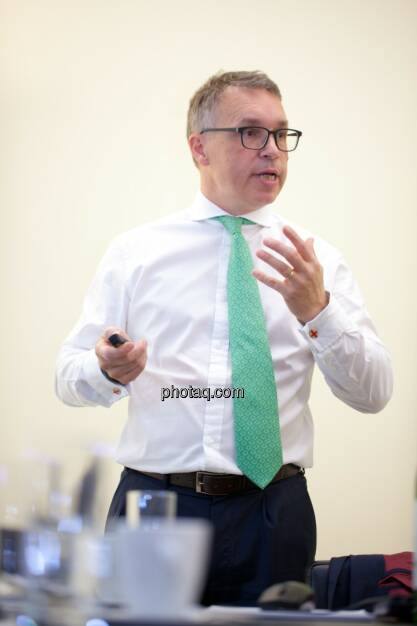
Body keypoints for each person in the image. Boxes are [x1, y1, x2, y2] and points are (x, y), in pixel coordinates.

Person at [55, 70, 393, 606]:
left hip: (273, 514)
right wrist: (103, 369)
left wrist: (318, 312)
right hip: (154, 508)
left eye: (282, 135)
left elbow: (373, 393)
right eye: (250, 132)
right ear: (199, 147)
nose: (273, 150)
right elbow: (67, 375)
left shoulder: (318, 262)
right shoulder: (136, 252)